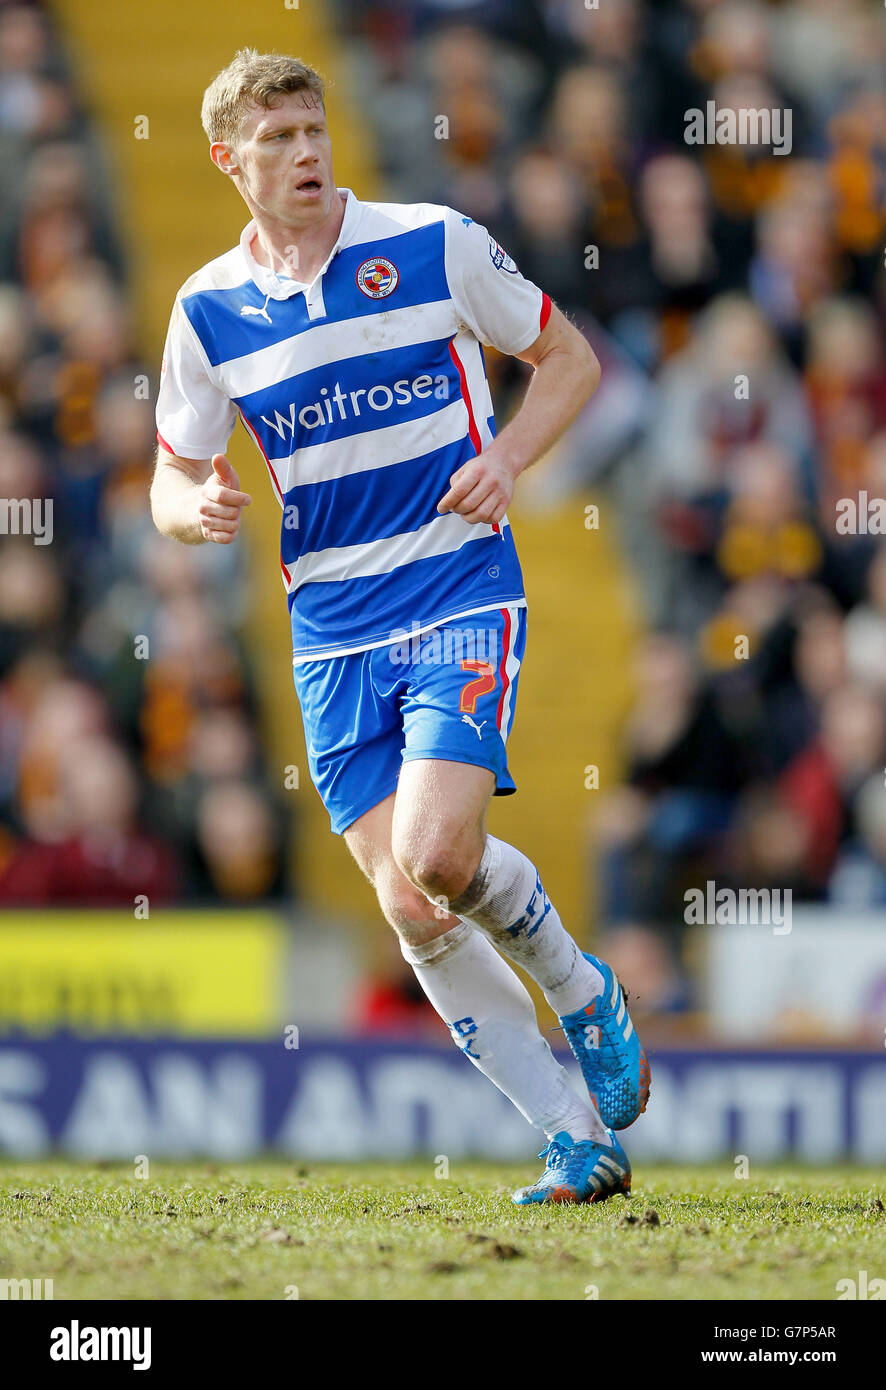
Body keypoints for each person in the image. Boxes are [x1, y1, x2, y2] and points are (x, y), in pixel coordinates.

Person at [150, 48, 649, 1204]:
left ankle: (583, 993)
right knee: (410, 904)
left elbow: (567, 357)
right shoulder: (207, 310)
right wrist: (195, 507)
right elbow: (170, 477)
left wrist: (507, 459)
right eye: (275, 139)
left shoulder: (432, 243)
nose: (307, 152)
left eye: (313, 128)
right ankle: (576, 1136)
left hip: (455, 588)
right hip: (329, 631)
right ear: (229, 163)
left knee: (440, 852)